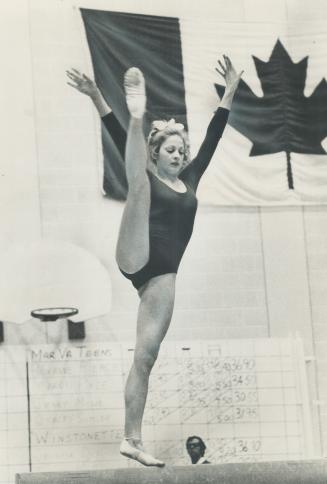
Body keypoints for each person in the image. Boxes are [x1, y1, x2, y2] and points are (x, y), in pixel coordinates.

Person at [66, 57, 242, 467]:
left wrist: (230, 88)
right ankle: (137, 115)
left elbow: (214, 136)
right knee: (139, 185)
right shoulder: (150, 173)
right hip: (135, 250)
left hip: (160, 276)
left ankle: (131, 438)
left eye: (182, 150)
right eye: (171, 149)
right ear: (157, 152)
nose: (179, 155)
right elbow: (113, 139)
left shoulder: (192, 179)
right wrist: (96, 95)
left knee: (145, 357)